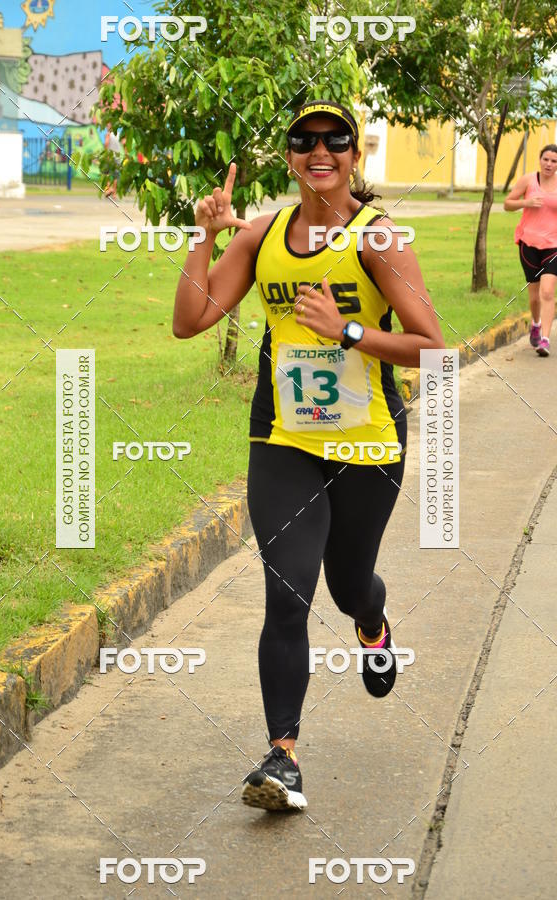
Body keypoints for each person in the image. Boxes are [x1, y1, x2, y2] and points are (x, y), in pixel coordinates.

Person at [173, 100, 444, 811]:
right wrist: (204, 239)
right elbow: (190, 320)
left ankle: (373, 622)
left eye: (335, 141)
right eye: (304, 141)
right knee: (287, 589)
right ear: (290, 155)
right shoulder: (260, 235)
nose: (319, 151)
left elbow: (432, 346)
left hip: (367, 443)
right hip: (284, 441)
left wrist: (350, 330)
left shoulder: (379, 239)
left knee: (348, 584)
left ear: (355, 155)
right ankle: (281, 759)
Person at [504, 143, 557, 357]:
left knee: (547, 291)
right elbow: (508, 204)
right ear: (540, 159)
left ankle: (545, 338)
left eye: (554, 161)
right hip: (529, 244)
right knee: (534, 296)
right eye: (546, 159)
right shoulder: (528, 180)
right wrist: (526, 202)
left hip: (553, 245)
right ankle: (535, 324)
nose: (549, 164)